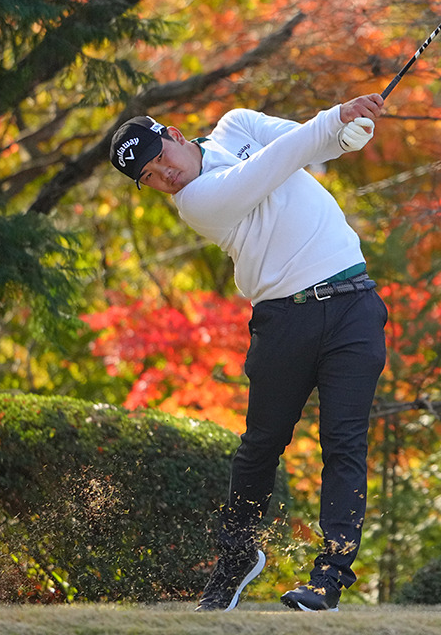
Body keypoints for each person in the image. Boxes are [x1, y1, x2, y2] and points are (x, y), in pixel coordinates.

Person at [108, 94, 389, 613]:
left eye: (158, 159)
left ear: (172, 133)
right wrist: (333, 120)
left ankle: (328, 577)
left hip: (355, 305)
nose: (162, 176)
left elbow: (312, 145)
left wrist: (349, 131)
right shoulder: (197, 202)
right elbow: (280, 160)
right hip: (285, 320)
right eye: (147, 177)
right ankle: (237, 556)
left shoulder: (237, 124)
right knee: (261, 445)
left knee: (344, 444)